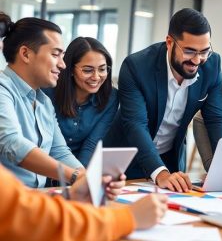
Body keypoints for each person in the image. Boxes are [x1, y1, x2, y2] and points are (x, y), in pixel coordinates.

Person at [104, 8, 222, 192]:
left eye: (204, 51)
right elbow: (136, 124)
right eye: (189, 51)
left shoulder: (212, 65)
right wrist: (160, 173)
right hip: (126, 161)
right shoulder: (136, 66)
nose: (197, 60)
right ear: (170, 42)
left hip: (170, 162)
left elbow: (216, 118)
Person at [0, 13, 124, 196]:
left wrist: (93, 181)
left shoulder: (43, 102)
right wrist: (78, 177)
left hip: (37, 198)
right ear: (25, 54)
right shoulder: (3, 89)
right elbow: (11, 143)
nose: (63, 65)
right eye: (55, 54)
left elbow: (59, 151)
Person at [0, 163, 168, 241]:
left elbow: (19, 207)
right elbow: (33, 221)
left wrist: (69, 198)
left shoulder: (44, 102)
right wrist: (128, 217)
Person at [44, 37, 118, 167]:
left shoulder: (111, 97)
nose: (96, 77)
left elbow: (92, 144)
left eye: (102, 69)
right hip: (45, 165)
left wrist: (80, 177)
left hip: (81, 166)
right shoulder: (47, 91)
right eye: (88, 70)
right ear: (71, 70)